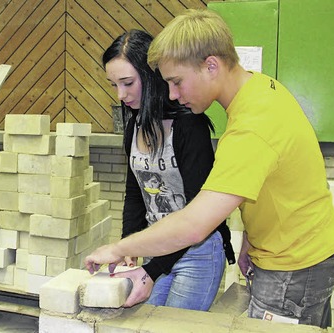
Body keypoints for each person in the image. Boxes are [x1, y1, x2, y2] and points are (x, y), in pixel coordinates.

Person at [86, 9, 334, 328]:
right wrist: (251, 239)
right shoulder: (259, 90)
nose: (173, 94)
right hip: (290, 253)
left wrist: (118, 247)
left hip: (294, 266)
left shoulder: (252, 127)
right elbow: (269, 182)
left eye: (177, 82)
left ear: (211, 65)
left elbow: (195, 224)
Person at [103, 29, 234, 310]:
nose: (121, 95)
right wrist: (130, 245)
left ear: (151, 76)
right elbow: (135, 193)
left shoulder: (189, 125)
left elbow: (198, 217)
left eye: (127, 83)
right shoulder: (134, 126)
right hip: (158, 246)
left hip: (196, 251)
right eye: (113, 85)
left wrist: (152, 269)